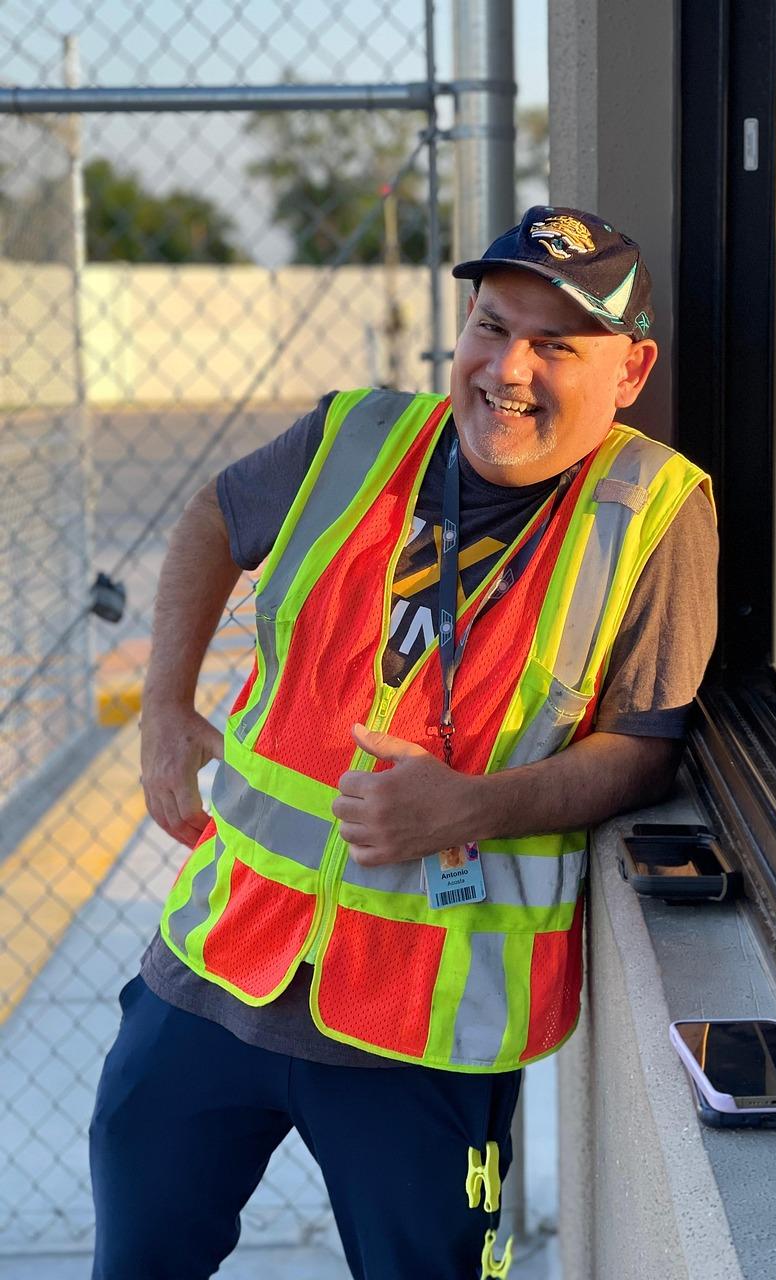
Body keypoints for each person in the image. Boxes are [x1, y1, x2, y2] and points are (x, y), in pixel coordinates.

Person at [89, 205, 718, 1279]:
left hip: (423, 1031)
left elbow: (644, 746)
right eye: (491, 326)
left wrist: (474, 806)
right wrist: (163, 707)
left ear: (631, 370)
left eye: (556, 346)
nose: (508, 369)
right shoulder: (358, 434)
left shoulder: (656, 510)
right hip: (216, 966)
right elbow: (211, 518)